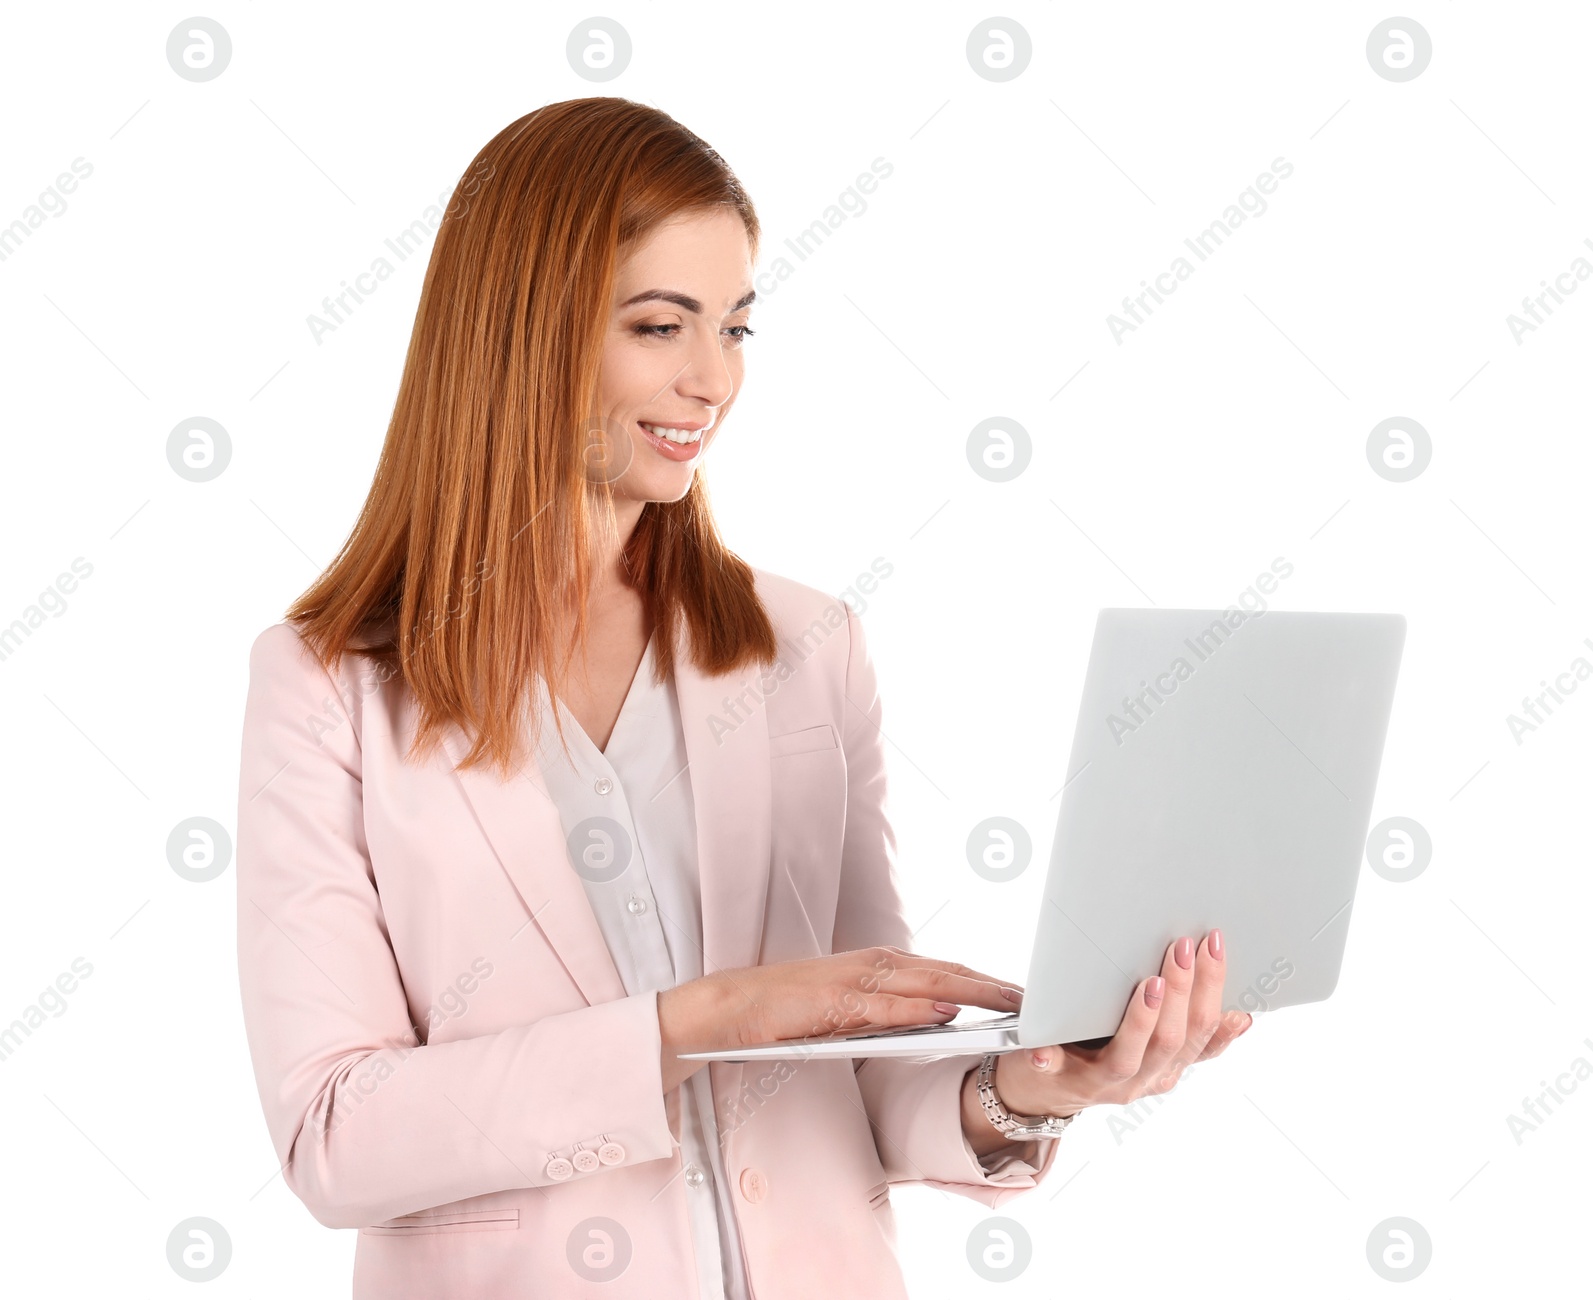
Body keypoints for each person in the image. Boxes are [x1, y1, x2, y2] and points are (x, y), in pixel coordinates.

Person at [235, 97, 1252, 1300]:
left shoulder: (804, 648)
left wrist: (1031, 1085)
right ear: (519, 331)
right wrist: (695, 1020)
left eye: (735, 326)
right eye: (660, 324)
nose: (711, 379)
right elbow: (334, 1135)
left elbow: (868, 1064)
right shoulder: (330, 685)